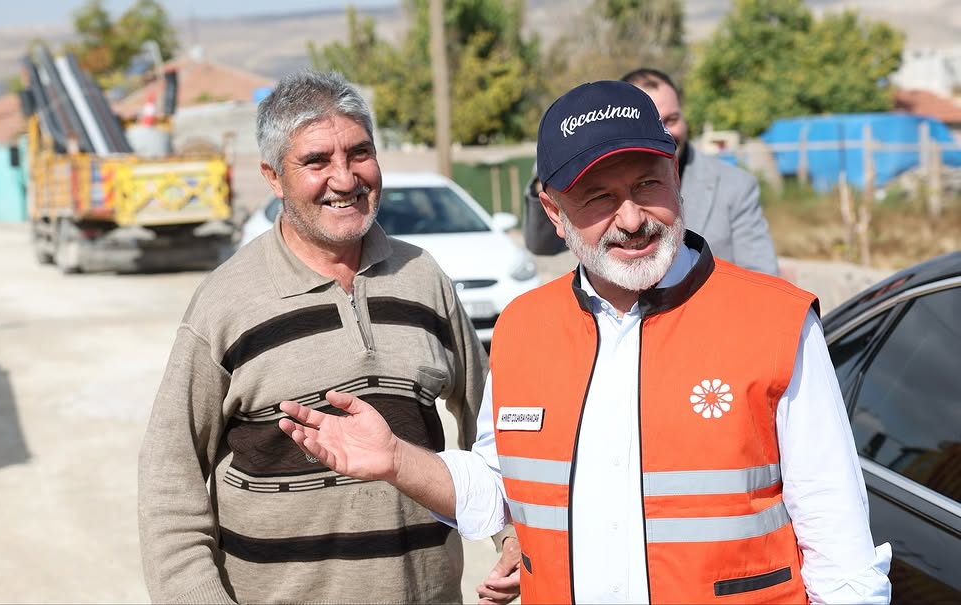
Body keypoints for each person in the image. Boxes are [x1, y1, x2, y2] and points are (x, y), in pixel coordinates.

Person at [277, 80, 892, 604]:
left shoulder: (775, 321)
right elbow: (500, 493)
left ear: (675, 175)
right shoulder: (523, 328)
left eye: (648, 184)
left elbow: (841, 552)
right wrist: (396, 460)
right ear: (553, 211)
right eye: (598, 197)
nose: (632, 219)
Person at [137, 70, 490, 604]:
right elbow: (170, 473)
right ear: (273, 177)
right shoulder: (227, 301)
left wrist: (515, 534)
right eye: (317, 161)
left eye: (360, 153)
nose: (345, 179)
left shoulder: (425, 279)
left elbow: (494, 420)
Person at [522, 68, 780, 276]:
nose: (632, 222)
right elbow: (542, 245)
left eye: (672, 119)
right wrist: (553, 170)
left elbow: (763, 276)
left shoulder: (734, 184)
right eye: (601, 197)